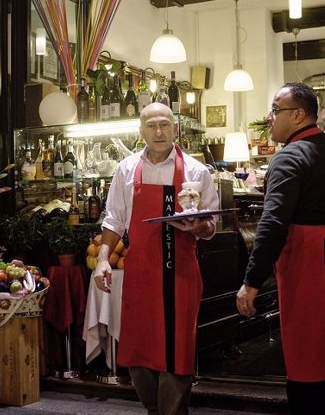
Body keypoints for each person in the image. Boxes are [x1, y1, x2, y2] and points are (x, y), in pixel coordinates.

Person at [236, 82, 325, 414]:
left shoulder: (289, 157)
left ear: (299, 115)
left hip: (309, 260)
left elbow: (272, 225)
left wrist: (251, 282)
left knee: (305, 353)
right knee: (320, 345)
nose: (269, 117)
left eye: (275, 110)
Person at [93, 102, 219, 415]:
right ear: (141, 130)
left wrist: (197, 225)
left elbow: (211, 226)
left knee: (178, 352)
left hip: (182, 275)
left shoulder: (196, 171)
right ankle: (154, 408)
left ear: (175, 128)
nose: (158, 131)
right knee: (138, 351)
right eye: (151, 125)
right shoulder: (125, 170)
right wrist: (103, 259)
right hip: (141, 274)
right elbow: (113, 221)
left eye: (164, 124)